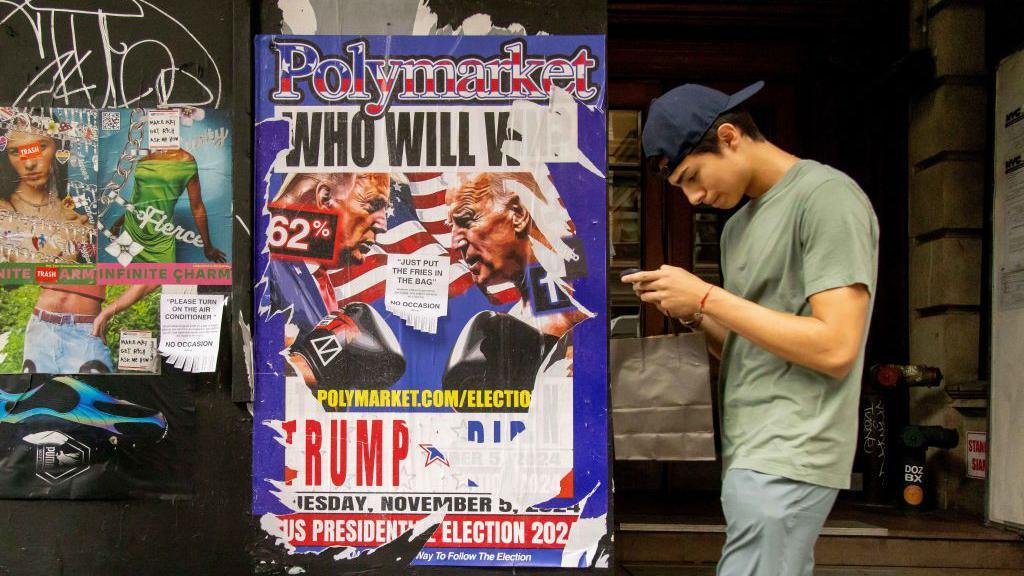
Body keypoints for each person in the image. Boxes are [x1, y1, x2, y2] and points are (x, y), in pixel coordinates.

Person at [624, 81, 879, 576]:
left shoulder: (826, 197)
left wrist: (705, 295)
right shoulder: (737, 229)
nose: (694, 197)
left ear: (730, 135)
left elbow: (836, 346)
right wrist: (695, 314)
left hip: (793, 444)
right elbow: (751, 347)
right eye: (681, 188)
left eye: (693, 176)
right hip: (750, 447)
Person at [446, 171, 588, 339]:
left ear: (518, 215)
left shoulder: (581, 304)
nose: (455, 243)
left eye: (467, 219)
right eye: (451, 226)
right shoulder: (519, 321)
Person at [263, 172, 391, 334]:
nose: (383, 226)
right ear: (325, 198)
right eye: (373, 204)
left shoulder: (314, 276)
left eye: (385, 209)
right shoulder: (271, 272)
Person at [112, 148, 226, 264]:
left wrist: (207, 246)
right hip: (132, 234)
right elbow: (138, 203)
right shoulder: (144, 158)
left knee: (164, 280)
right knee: (129, 281)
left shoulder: (186, 161)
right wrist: (117, 224)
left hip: (160, 237)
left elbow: (197, 207)